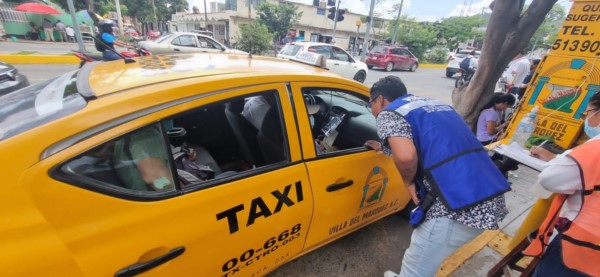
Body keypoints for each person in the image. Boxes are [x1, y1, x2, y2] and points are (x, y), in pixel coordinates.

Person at [364, 76, 510, 277]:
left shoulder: (389, 113)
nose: (372, 110)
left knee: (417, 266)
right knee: (426, 259)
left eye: (370, 103)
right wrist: (384, 147)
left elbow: (406, 157)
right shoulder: (436, 105)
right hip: (486, 194)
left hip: (457, 207)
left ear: (379, 100)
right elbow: (437, 143)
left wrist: (408, 182)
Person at [525, 91, 600, 276]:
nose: (587, 119)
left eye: (587, 113)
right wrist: (556, 157)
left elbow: (550, 179)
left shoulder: (594, 148)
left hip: (585, 243)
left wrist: (562, 159)